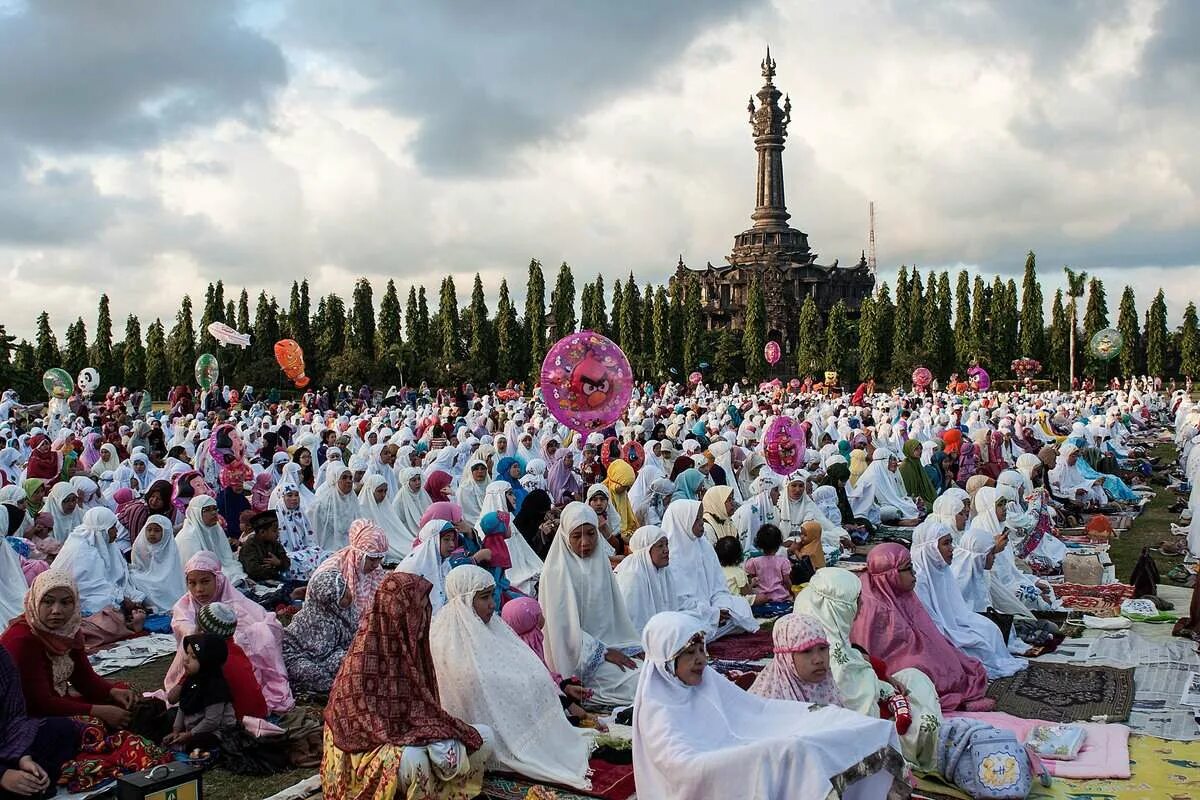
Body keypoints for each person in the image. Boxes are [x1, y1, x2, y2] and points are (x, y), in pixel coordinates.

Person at [632, 611, 909, 800]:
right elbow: (682, 767)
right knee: (792, 751)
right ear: (666, 663)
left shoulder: (707, 681)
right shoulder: (659, 707)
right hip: (700, 777)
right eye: (689, 654)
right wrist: (760, 754)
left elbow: (756, 711)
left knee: (825, 727)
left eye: (702, 650)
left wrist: (806, 718)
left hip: (735, 749)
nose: (701, 660)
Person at [321, 572, 493, 800]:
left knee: (485, 737)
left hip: (412, 733)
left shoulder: (413, 649)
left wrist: (435, 734)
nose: (424, 618)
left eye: (424, 610)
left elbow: (425, 710)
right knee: (414, 760)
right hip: (368, 748)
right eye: (417, 612)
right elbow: (367, 730)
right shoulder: (363, 660)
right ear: (398, 614)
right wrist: (425, 737)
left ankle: (446, 792)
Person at [430, 565, 591, 790]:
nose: (492, 604)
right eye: (484, 598)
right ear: (465, 600)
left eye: (492, 596)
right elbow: (469, 682)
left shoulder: (494, 626)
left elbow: (522, 663)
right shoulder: (445, 637)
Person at [795, 567, 950, 769]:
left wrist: (879, 679)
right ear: (838, 608)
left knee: (913, 676)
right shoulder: (825, 657)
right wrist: (881, 685)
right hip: (866, 734)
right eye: (856, 600)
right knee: (922, 715)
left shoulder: (826, 636)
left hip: (878, 703)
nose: (861, 605)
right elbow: (860, 710)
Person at [852, 543, 993, 711]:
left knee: (947, 654)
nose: (914, 574)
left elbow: (921, 626)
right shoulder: (872, 605)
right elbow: (873, 651)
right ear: (891, 574)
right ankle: (955, 703)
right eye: (908, 568)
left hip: (911, 648)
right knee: (923, 667)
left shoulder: (899, 591)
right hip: (891, 664)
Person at [1, 570, 134, 729]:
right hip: (21, 717)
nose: (56, 610)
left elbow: (84, 678)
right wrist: (98, 711)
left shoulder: (68, 630)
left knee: (124, 695)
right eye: (48, 602)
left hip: (54, 702)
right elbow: (38, 703)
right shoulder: (21, 640)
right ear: (35, 601)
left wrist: (111, 692)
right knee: (91, 727)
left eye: (65, 603)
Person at [538, 501, 641, 705]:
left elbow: (615, 615)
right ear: (566, 537)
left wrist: (626, 646)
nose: (585, 542)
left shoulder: (599, 561)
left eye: (591, 534)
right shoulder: (556, 572)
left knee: (653, 672)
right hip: (577, 660)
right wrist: (601, 652)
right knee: (640, 684)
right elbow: (563, 631)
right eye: (577, 536)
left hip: (608, 649)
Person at [166, 552, 293, 714]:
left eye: (205, 582)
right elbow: (186, 630)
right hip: (196, 659)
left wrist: (241, 637)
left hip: (232, 657)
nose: (199, 589)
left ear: (218, 579)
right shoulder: (184, 605)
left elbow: (262, 623)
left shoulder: (234, 600)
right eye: (192, 583)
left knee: (259, 633)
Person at [909, 520, 1027, 679]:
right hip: (938, 633)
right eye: (946, 543)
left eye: (951, 542)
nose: (952, 548)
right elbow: (930, 623)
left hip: (954, 623)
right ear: (929, 548)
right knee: (977, 644)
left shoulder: (943, 571)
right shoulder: (919, 581)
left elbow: (958, 611)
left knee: (989, 629)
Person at [51, 507, 147, 649]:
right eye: (112, 528)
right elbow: (90, 588)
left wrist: (124, 597)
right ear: (102, 530)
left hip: (98, 596)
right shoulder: (82, 550)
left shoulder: (105, 543)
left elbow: (115, 576)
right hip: (78, 601)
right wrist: (122, 599)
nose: (116, 532)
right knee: (108, 610)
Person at [660, 499, 756, 641]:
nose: (702, 523)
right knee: (686, 626)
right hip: (692, 612)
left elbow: (718, 585)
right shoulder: (669, 556)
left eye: (701, 517)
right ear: (682, 521)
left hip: (712, 607)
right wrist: (712, 613)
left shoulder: (704, 545)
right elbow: (678, 602)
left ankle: (711, 630)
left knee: (740, 606)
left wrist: (720, 605)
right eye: (696, 519)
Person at [0, 645, 81, 799]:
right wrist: (3, 775)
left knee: (60, 729)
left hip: (5, 744)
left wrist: (23, 757)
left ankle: (32, 782)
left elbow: (13, 715)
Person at [282, 570, 354, 696]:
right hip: (304, 658)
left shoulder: (344, 611)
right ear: (328, 602)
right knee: (308, 671)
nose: (348, 596)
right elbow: (318, 655)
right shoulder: (314, 620)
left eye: (346, 590)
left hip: (328, 654)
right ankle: (333, 690)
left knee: (351, 659)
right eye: (342, 595)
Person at [749, 612, 844, 705]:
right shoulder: (769, 702)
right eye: (806, 651)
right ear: (786, 658)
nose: (819, 660)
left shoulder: (828, 687)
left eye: (822, 648)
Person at [164, 634, 236, 750]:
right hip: (194, 724)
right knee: (166, 717)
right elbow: (183, 705)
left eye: (193, 657)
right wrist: (176, 731)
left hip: (216, 731)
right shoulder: (191, 679)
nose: (186, 659)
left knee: (200, 742)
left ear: (207, 662)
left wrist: (190, 735)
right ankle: (180, 740)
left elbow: (212, 721)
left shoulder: (215, 685)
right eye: (187, 653)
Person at [313, 519, 388, 622]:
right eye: (372, 559)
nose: (376, 565)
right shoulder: (332, 570)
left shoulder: (376, 571)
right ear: (359, 555)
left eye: (379, 559)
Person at [175, 495, 246, 585]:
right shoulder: (188, 537)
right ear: (196, 513)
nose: (213, 513)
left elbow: (227, 559)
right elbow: (196, 572)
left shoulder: (216, 528)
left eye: (215, 509)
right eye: (207, 510)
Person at [308, 463, 358, 552]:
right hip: (329, 546)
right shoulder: (324, 502)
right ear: (335, 480)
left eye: (350, 478)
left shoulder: (353, 499)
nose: (349, 481)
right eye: (344, 478)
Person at [238, 510, 291, 583]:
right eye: (274, 531)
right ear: (262, 532)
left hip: (275, 578)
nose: (278, 534)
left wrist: (278, 563)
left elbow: (287, 561)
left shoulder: (275, 543)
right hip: (257, 582)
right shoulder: (249, 546)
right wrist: (275, 570)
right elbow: (253, 571)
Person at [745, 523, 793, 603]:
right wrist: (792, 592)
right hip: (781, 597)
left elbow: (751, 578)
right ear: (778, 544)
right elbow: (787, 581)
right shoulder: (783, 562)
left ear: (760, 544)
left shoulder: (754, 562)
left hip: (762, 598)